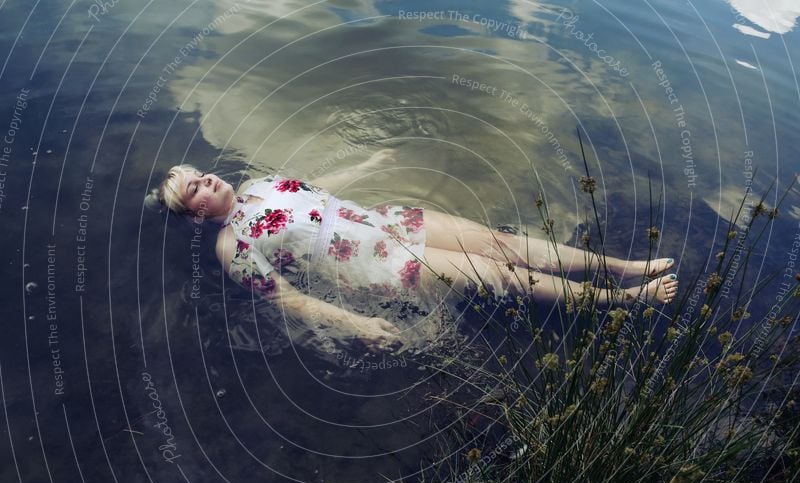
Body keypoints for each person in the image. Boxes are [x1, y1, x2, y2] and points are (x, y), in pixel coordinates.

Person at [145, 150, 679, 354]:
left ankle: (624, 268)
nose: (205, 180)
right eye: (194, 188)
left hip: (390, 221)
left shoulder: (261, 183)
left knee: (505, 244)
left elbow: (318, 191)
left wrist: (368, 163)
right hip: (377, 264)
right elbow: (285, 299)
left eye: (199, 175)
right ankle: (625, 300)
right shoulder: (230, 244)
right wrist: (357, 325)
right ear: (194, 212)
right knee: (502, 275)